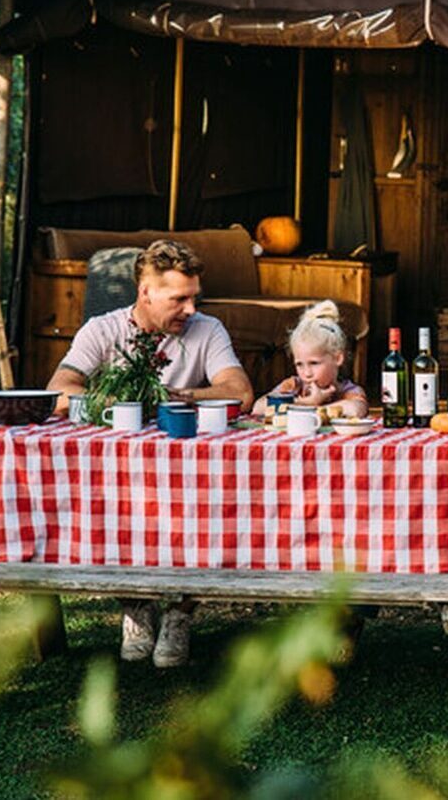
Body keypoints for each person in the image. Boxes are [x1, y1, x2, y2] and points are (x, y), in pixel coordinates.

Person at [46, 238, 254, 668]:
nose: (191, 309)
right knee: (110, 503)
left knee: (203, 507)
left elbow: (240, 393)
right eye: (179, 299)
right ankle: (137, 605)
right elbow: (58, 390)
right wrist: (121, 400)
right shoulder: (103, 330)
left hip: (188, 471)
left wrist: (180, 395)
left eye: (194, 297)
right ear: (146, 293)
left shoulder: (207, 330)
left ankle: (180, 611)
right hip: (118, 472)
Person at [251, 301, 369, 419]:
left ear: (337, 358)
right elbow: (258, 408)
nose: (306, 373)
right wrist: (306, 403)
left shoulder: (347, 391)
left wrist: (315, 405)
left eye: (314, 363)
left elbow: (356, 410)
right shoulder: (293, 386)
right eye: (299, 364)